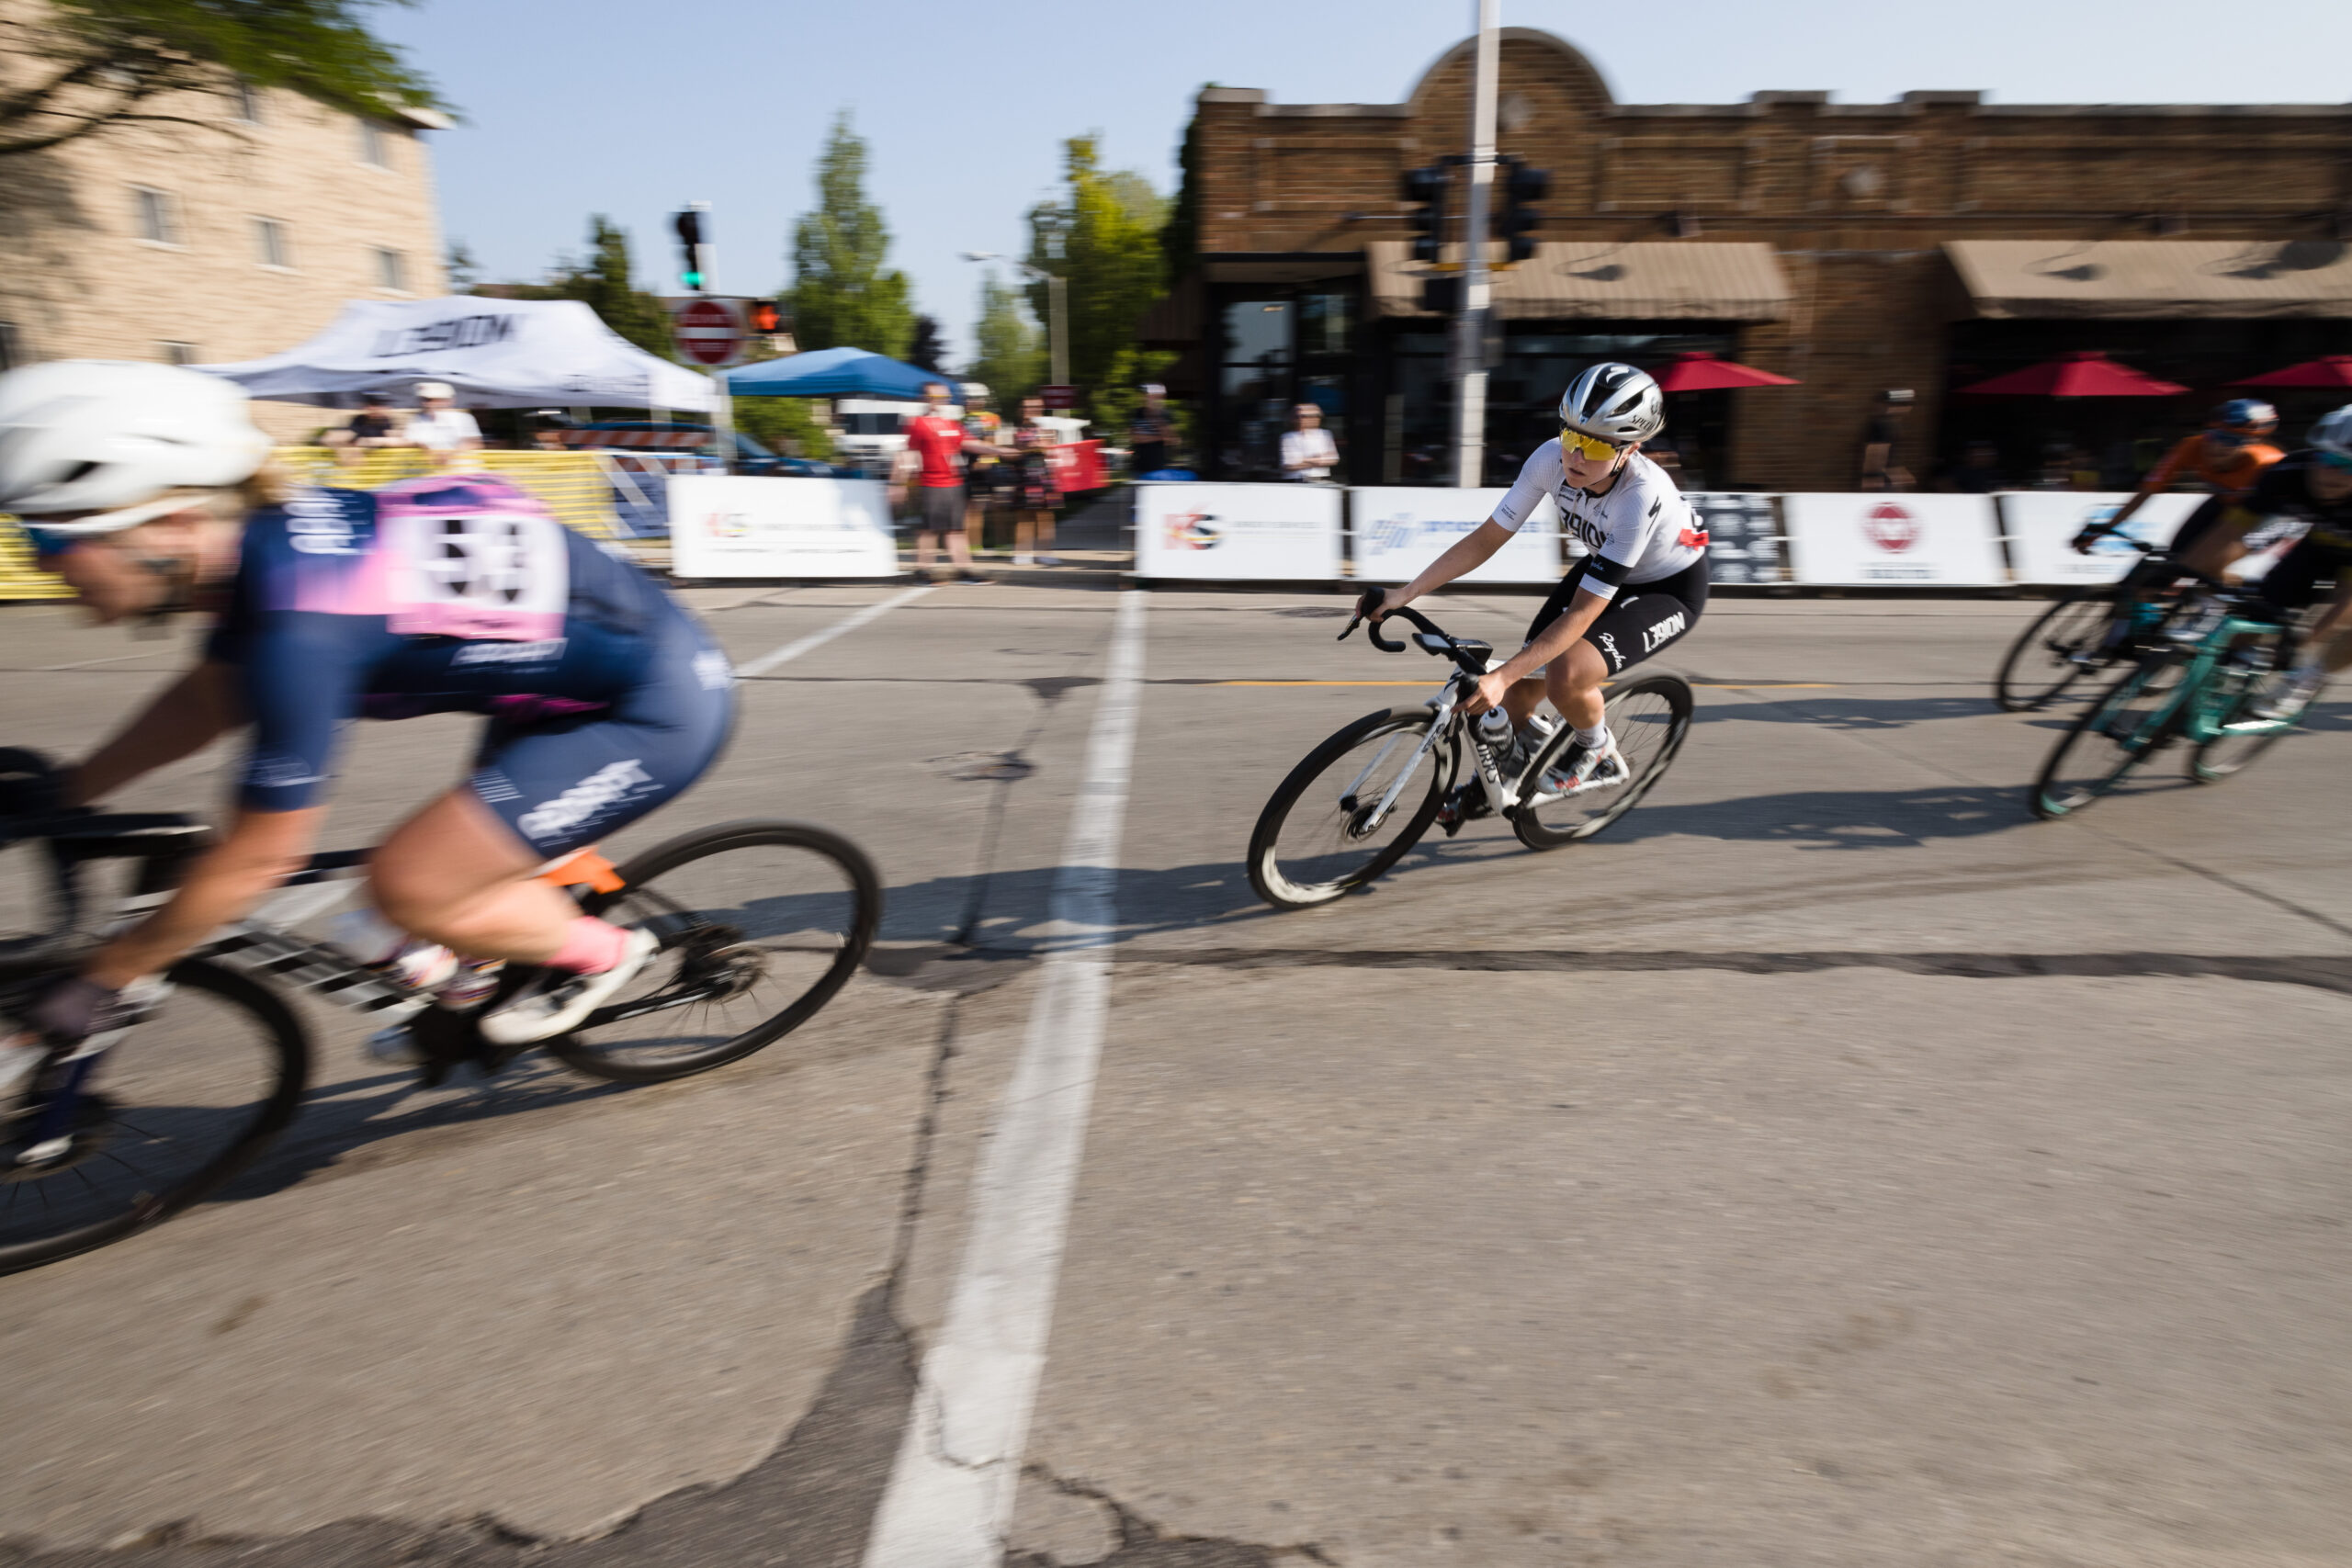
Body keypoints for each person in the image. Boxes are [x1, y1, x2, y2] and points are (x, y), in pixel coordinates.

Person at [0, 361, 735, 1072]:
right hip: (557, 686)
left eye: (48, 537)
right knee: (444, 879)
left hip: (653, 704)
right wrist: (71, 789)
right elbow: (207, 700)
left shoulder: (302, 621)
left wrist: (107, 975)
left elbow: (259, 857)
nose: (40, 564)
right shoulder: (258, 559)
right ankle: (480, 979)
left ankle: (608, 954)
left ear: (173, 521)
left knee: (409, 883)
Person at [1370, 363, 1707, 809]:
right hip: (1607, 567)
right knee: (1515, 695)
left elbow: (1583, 613)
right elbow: (1486, 540)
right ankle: (1519, 764)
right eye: (1571, 436)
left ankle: (1597, 749)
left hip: (1668, 588)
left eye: (1593, 445)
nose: (1576, 456)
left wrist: (1502, 675)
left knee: (1565, 676)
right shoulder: (1550, 458)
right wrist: (1404, 594)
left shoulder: (1641, 494)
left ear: (1630, 449)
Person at [2215, 406, 2352, 716]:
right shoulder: (2293, 469)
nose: (2334, 472)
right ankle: (2226, 672)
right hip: (2321, 543)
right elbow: (2231, 534)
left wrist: (2303, 642)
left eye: (2347, 467)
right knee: (2265, 605)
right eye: (2329, 460)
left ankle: (2307, 679)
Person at [2072, 400, 2283, 566]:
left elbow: (2240, 523)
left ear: (2252, 444)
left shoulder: (2264, 464)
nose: (2218, 446)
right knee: (2171, 565)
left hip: (2271, 515)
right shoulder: (2190, 446)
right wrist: (2104, 529)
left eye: (2232, 441)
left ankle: (2240, 600)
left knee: (2204, 565)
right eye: (2214, 436)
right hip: (2226, 504)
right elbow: (2144, 494)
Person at [894, 380, 999, 583]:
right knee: (930, 529)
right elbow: (908, 453)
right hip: (931, 482)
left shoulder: (952, 423)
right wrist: (899, 483)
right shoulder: (916, 423)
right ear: (925, 399)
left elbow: (971, 444)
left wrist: (999, 450)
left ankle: (964, 570)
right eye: (937, 397)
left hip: (954, 482)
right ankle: (923, 571)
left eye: (945, 397)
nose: (942, 401)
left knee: (956, 529)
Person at [1010, 395, 1064, 568]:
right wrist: (1035, 445)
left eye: (1034, 407)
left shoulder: (1048, 427)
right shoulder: (1017, 429)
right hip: (1025, 477)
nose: (1029, 410)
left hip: (1046, 476)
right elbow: (1016, 449)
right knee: (1024, 517)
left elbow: (1050, 446)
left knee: (1045, 517)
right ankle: (1022, 553)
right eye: (1026, 407)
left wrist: (1036, 445)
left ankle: (1045, 553)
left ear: (1041, 409)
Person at [958, 383, 1006, 560]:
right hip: (969, 467)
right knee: (971, 509)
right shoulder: (961, 419)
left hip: (989, 466)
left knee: (996, 507)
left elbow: (991, 442)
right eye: (967, 399)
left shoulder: (991, 417)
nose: (968, 402)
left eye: (972, 399)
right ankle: (973, 546)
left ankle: (1002, 544)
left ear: (981, 400)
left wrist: (984, 461)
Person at [401, 381, 481, 469]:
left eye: (430, 399)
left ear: (447, 401)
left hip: (463, 469)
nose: (425, 403)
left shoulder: (463, 418)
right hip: (432, 470)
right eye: (423, 399)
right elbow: (410, 440)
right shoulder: (418, 419)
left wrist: (450, 454)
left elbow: (474, 443)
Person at [1858, 389, 1914, 491]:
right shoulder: (1883, 424)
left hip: (1887, 480)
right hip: (1885, 481)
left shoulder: (1891, 423)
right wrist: (1872, 477)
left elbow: (1889, 455)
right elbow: (1876, 452)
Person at [324, 393, 401, 466]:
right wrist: (348, 449)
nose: (374, 409)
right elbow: (338, 437)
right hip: (362, 465)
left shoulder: (386, 421)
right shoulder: (360, 420)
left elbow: (394, 440)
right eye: (371, 405)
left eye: (378, 405)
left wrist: (372, 442)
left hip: (379, 464)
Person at [1281, 401, 1339, 482]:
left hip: (1321, 480)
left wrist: (1305, 460)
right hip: (1296, 481)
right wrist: (1319, 459)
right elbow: (1289, 465)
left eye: (1315, 416)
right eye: (1303, 416)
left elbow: (1333, 459)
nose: (1311, 419)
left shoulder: (1325, 434)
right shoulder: (1287, 437)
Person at [1128, 383, 1178, 478]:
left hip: (1158, 468)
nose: (1145, 397)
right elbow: (1135, 438)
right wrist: (1160, 438)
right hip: (1139, 467)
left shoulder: (1165, 414)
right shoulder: (1138, 413)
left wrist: (1154, 416)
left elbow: (1171, 439)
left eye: (1148, 395)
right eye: (1145, 395)